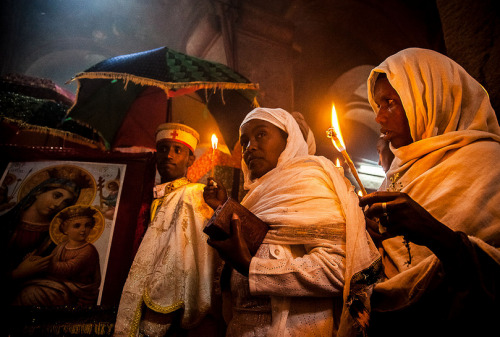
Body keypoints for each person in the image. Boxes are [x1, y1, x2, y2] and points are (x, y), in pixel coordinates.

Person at [359, 48, 500, 336]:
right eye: (377, 105)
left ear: (431, 99)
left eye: (390, 103)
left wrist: (435, 234)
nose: (379, 118)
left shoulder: (489, 164)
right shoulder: (399, 171)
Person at [203, 107, 380, 337]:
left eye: (261, 134)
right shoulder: (255, 198)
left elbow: (339, 270)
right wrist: (223, 210)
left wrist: (253, 268)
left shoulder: (311, 184)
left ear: (289, 140)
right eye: (245, 141)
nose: (250, 147)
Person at [113, 123, 223, 337]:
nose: (168, 155)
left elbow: (195, 254)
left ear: (191, 159)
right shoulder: (145, 198)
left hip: (176, 301)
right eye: (163, 149)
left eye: (177, 150)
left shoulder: (195, 194)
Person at [2, 177, 82, 305]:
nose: (58, 205)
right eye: (56, 196)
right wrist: (17, 274)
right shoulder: (6, 223)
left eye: (65, 202)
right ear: (39, 192)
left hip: (30, 287)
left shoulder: (56, 235)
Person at [12, 205, 101, 306]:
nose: (83, 229)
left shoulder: (88, 250)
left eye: (87, 225)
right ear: (65, 230)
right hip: (60, 284)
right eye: (77, 226)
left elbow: (69, 268)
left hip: (75, 291)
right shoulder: (62, 246)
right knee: (24, 290)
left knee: (31, 294)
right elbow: (51, 260)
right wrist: (33, 260)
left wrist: (43, 264)